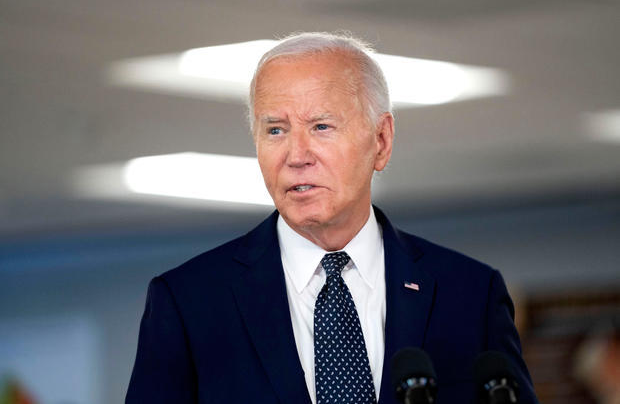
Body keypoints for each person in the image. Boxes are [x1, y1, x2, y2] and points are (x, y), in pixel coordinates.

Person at [126, 32, 538, 404]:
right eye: (275, 131)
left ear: (381, 140)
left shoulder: (469, 295)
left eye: (321, 126)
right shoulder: (189, 302)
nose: (296, 155)